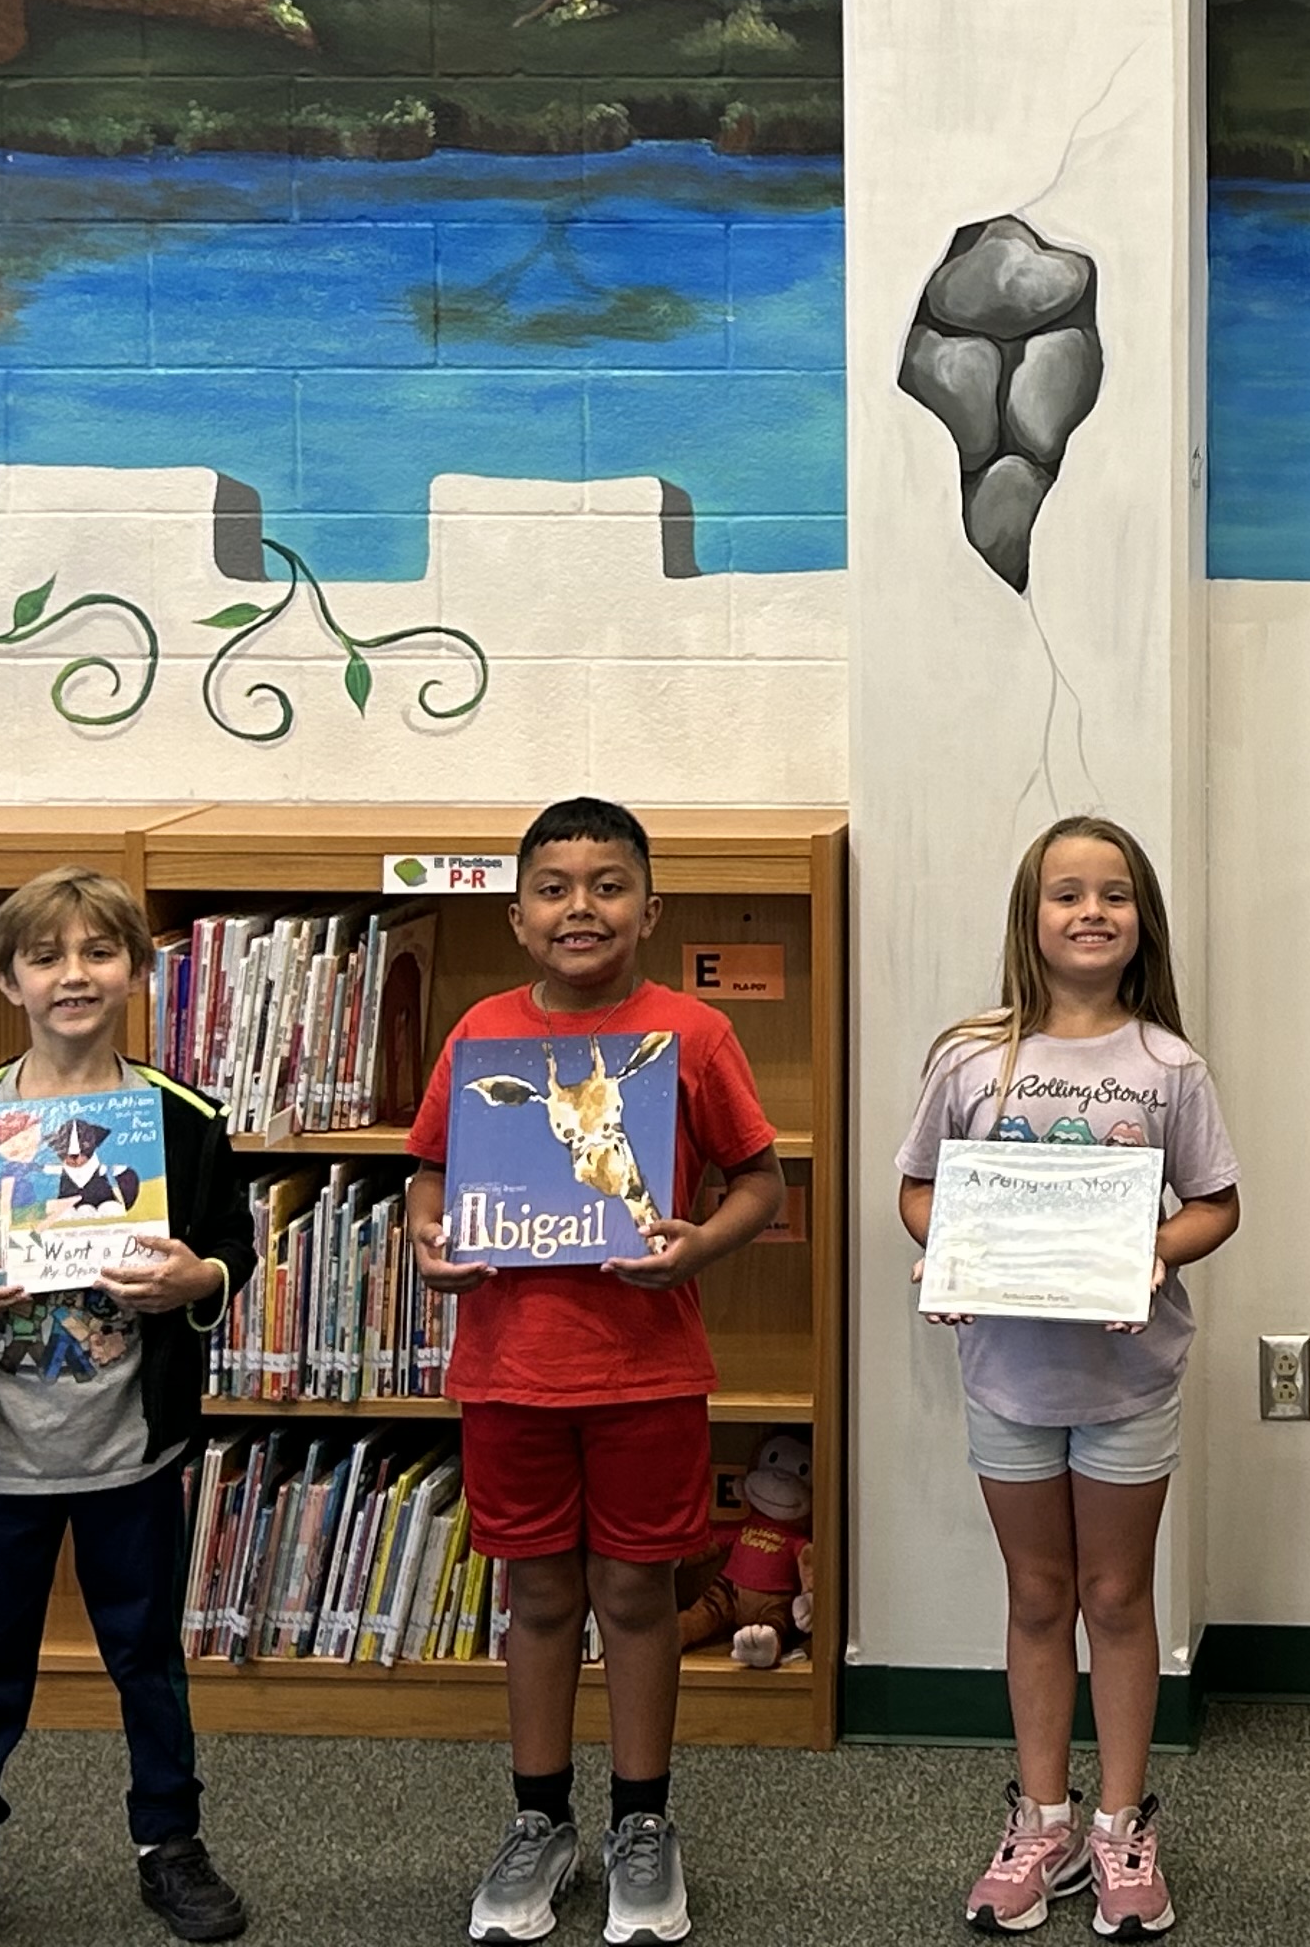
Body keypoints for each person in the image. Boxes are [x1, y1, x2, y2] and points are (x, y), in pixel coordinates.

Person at [413, 799, 789, 1946]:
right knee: (536, 1598)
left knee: (634, 1595)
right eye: (556, 888)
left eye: (609, 884)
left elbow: (759, 1184)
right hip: (508, 1373)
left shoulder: (693, 1035)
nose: (583, 907)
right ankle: (539, 1820)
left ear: (650, 908)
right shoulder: (482, 1035)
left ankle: (641, 1821)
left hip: (646, 1373)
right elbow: (429, 1179)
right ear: (519, 916)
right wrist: (434, 1244)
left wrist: (696, 1245)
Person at [0, 863, 257, 1947]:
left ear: (137, 970)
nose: (72, 975)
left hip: (131, 1447)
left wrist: (198, 1282)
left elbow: (233, 1243)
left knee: (148, 1657)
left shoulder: (180, 1120)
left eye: (98, 953)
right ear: (8, 981)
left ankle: (169, 1845)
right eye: (45, 957)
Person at [899, 818, 1241, 1939]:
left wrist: (1155, 1251)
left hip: (1127, 1381)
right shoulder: (970, 1057)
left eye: (1114, 895)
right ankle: (1042, 1818)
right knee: (1039, 1598)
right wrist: (948, 1250)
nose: (1090, 912)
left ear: (1141, 921)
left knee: (1117, 1599)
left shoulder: (1167, 1065)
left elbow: (1216, 1204)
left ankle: (1122, 1823)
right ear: (1030, 918)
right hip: (1008, 1378)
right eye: (1066, 895)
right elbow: (915, 1189)